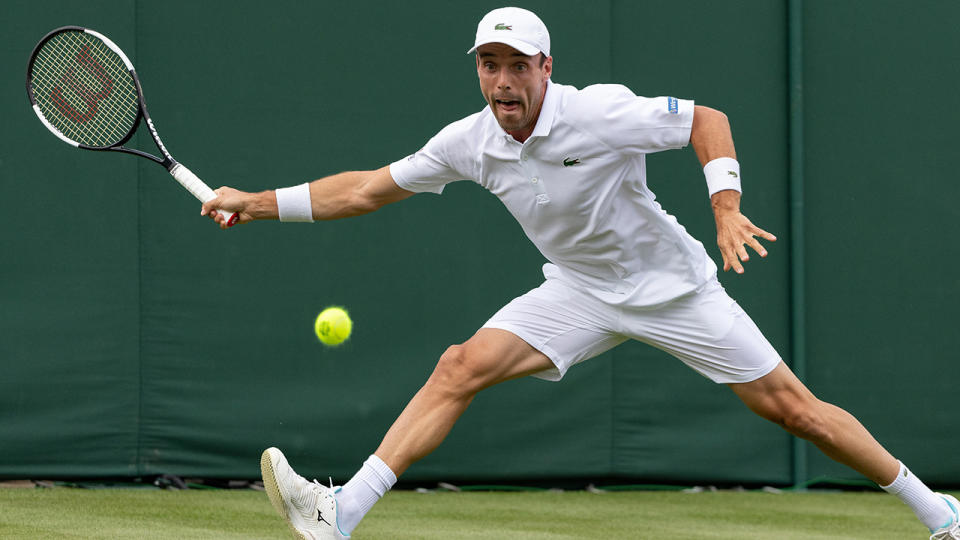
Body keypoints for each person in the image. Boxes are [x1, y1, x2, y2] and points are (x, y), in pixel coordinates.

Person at [202, 7, 958, 540]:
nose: (501, 81)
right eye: (487, 65)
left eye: (515, 66)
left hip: (675, 290)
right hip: (578, 290)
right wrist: (257, 203)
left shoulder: (598, 112)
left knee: (796, 412)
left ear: (545, 68)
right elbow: (366, 189)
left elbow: (707, 120)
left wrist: (725, 206)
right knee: (458, 366)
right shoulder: (468, 142)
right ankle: (342, 515)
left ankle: (941, 515)